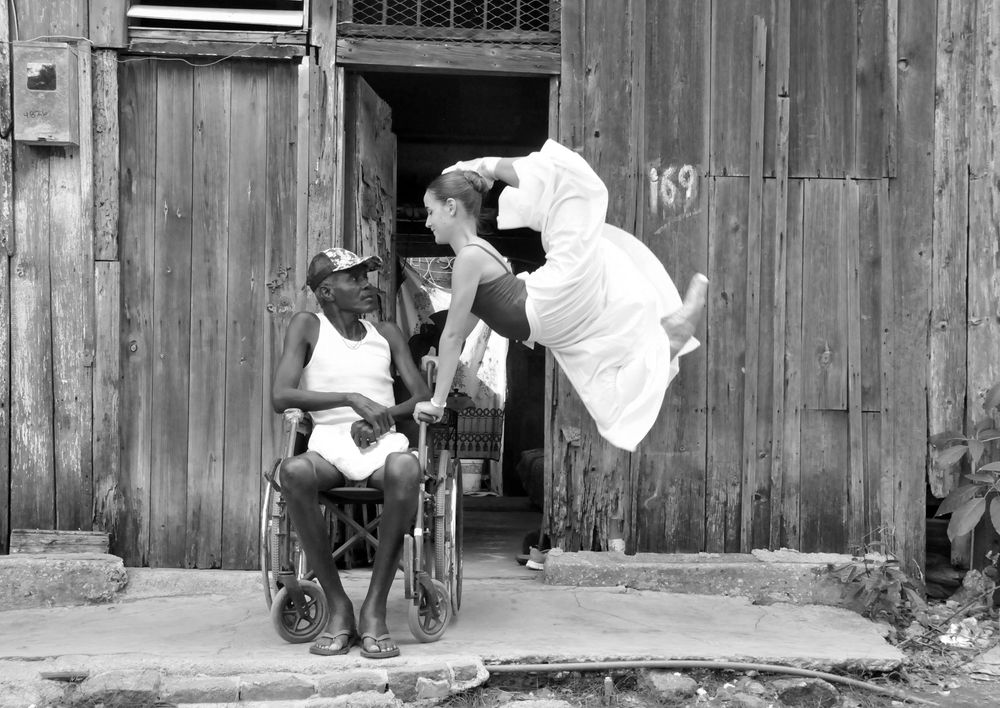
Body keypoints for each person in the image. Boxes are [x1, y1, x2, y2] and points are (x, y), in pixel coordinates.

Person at [413, 140, 709, 451]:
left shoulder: (469, 258)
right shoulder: (479, 253)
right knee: (609, 404)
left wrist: (437, 402)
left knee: (568, 188)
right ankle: (668, 338)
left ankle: (488, 163)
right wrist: (441, 362)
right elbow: (465, 327)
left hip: (547, 302)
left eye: (430, 211)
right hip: (553, 324)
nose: (427, 222)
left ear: (451, 207)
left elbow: (452, 335)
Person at [271, 247, 431, 659]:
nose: (366, 286)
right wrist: (350, 398)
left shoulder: (387, 333)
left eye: (366, 277)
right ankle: (339, 604)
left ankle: (374, 608)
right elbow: (281, 395)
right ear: (326, 291)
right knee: (293, 471)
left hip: (382, 443)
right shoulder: (308, 326)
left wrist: (380, 418)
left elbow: (421, 397)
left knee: (405, 468)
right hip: (329, 444)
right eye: (354, 278)